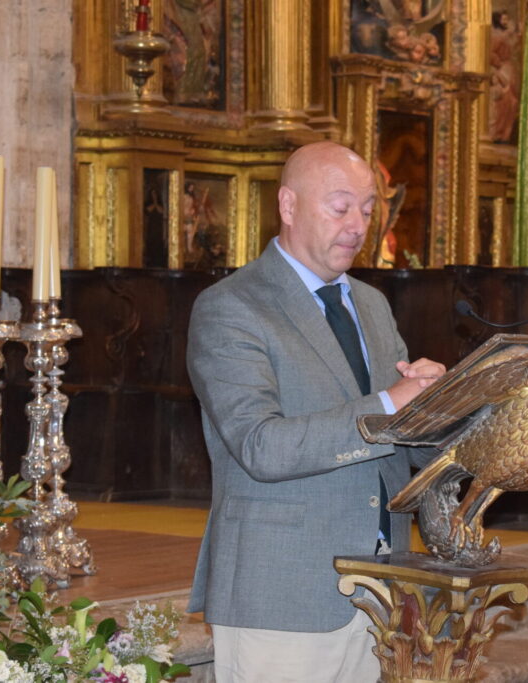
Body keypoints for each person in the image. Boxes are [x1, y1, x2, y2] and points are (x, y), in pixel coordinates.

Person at [186, 141, 446, 682]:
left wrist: (443, 408)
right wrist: (388, 405)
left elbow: (401, 442)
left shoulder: (371, 304)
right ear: (288, 205)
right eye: (340, 206)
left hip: (380, 593)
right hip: (284, 595)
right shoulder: (233, 307)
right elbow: (261, 446)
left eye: (369, 209)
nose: (358, 224)